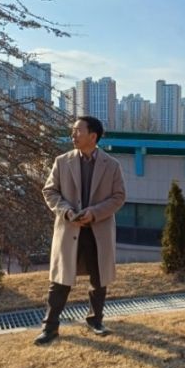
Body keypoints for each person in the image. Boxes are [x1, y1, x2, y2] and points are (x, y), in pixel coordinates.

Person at [34, 116, 126, 345]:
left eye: (77, 131)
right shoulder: (62, 161)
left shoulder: (112, 165)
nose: (72, 135)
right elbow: (49, 191)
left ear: (93, 136)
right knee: (60, 280)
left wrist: (94, 213)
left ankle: (96, 320)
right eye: (73, 131)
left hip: (98, 230)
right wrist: (66, 211)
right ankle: (50, 327)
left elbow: (119, 197)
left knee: (99, 278)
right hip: (69, 228)